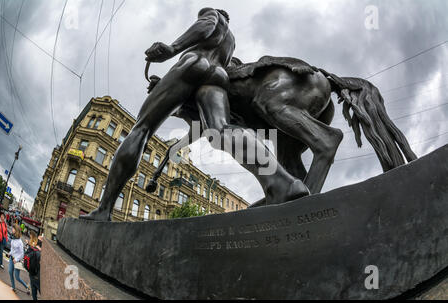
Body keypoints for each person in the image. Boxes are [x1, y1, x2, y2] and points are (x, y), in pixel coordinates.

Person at [81, 7, 308, 222]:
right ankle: (282, 182)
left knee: (141, 129)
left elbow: (206, 26)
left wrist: (172, 48)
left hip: (192, 64)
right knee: (220, 131)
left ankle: (104, 209)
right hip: (218, 76)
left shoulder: (213, 15)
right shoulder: (231, 42)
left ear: (221, 16)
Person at [8, 223, 30, 294]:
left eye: (13, 229)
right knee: (10, 272)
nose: (12, 229)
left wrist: (16, 259)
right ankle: (13, 287)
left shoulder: (20, 242)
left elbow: (22, 254)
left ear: (16, 230)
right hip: (11, 259)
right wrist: (10, 253)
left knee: (17, 277)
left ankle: (27, 287)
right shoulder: (13, 238)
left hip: (16, 261)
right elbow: (12, 249)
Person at [26, 231, 41, 300]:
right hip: (36, 275)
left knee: (34, 293)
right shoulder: (39, 252)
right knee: (39, 291)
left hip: (31, 273)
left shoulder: (32, 249)